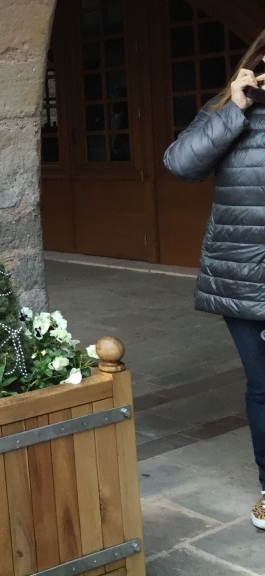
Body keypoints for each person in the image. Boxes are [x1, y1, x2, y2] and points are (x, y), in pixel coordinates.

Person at [164, 28, 265, 530]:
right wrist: (234, 108)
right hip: (243, 275)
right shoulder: (230, 110)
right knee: (263, 385)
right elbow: (181, 164)